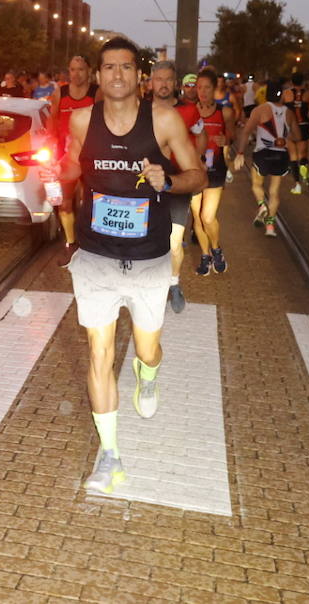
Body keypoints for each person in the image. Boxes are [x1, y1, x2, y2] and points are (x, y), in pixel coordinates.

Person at [61, 37, 205, 494]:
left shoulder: (162, 121)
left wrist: (171, 180)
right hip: (96, 257)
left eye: (126, 67)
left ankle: (149, 373)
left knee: (146, 349)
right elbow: (69, 168)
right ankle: (110, 455)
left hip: (148, 260)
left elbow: (198, 175)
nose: (117, 75)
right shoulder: (82, 120)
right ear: (98, 76)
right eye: (109, 68)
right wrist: (55, 173)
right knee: (99, 355)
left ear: (138, 76)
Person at [150, 61, 207, 309]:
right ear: (151, 82)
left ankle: (173, 283)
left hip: (178, 183)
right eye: (158, 79)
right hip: (147, 184)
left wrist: (197, 161)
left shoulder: (190, 111)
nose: (163, 84)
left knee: (174, 241)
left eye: (168, 80)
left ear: (175, 83)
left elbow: (201, 135)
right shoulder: (141, 109)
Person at [232, 79, 300, 237]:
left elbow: (246, 131)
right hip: (281, 155)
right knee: (274, 192)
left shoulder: (260, 110)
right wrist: (284, 137)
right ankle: (270, 227)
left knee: (256, 185)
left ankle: (262, 205)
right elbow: (297, 136)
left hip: (263, 153)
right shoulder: (289, 113)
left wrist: (240, 153)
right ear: (280, 94)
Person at [50, 55, 98, 264]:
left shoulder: (97, 93)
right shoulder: (60, 93)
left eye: (80, 69)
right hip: (66, 157)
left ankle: (90, 244)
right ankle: (71, 244)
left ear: (89, 70)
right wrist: (52, 146)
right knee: (65, 204)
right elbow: (52, 121)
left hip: (90, 156)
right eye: (72, 69)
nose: (76, 74)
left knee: (90, 203)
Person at [192, 69, 234, 275]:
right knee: (196, 218)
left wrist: (226, 140)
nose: (202, 91)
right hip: (193, 170)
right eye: (199, 87)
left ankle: (216, 249)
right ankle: (205, 254)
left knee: (207, 217)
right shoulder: (190, 111)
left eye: (207, 87)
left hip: (215, 169)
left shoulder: (223, 112)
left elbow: (232, 134)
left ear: (214, 89)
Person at [285, 72, 309, 193]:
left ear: (291, 82)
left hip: (291, 127)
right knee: (303, 154)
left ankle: (297, 185)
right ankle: (304, 172)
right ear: (303, 81)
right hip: (303, 126)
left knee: (293, 156)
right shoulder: (308, 94)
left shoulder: (286, 94)